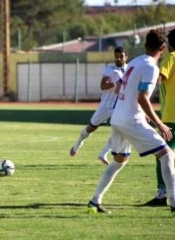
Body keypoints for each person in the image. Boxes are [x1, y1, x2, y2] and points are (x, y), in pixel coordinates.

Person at [87, 29, 175, 214]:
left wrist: (143, 113)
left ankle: (95, 200)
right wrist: (160, 124)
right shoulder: (151, 67)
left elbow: (124, 92)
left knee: (119, 160)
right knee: (167, 155)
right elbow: (143, 97)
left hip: (118, 117)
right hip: (130, 120)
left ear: (145, 46)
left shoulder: (135, 62)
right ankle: (174, 201)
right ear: (163, 47)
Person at [70, 47, 128, 164]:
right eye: (116, 56)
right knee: (91, 127)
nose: (118, 59)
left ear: (126, 57)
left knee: (122, 129)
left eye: (121, 56)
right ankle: (78, 143)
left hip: (120, 105)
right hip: (106, 105)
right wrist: (115, 83)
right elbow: (103, 86)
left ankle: (103, 153)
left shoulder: (129, 69)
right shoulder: (110, 69)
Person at [144, 29, 175, 206]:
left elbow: (159, 78)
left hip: (171, 116)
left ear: (169, 44)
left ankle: (163, 193)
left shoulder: (171, 57)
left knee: (162, 153)